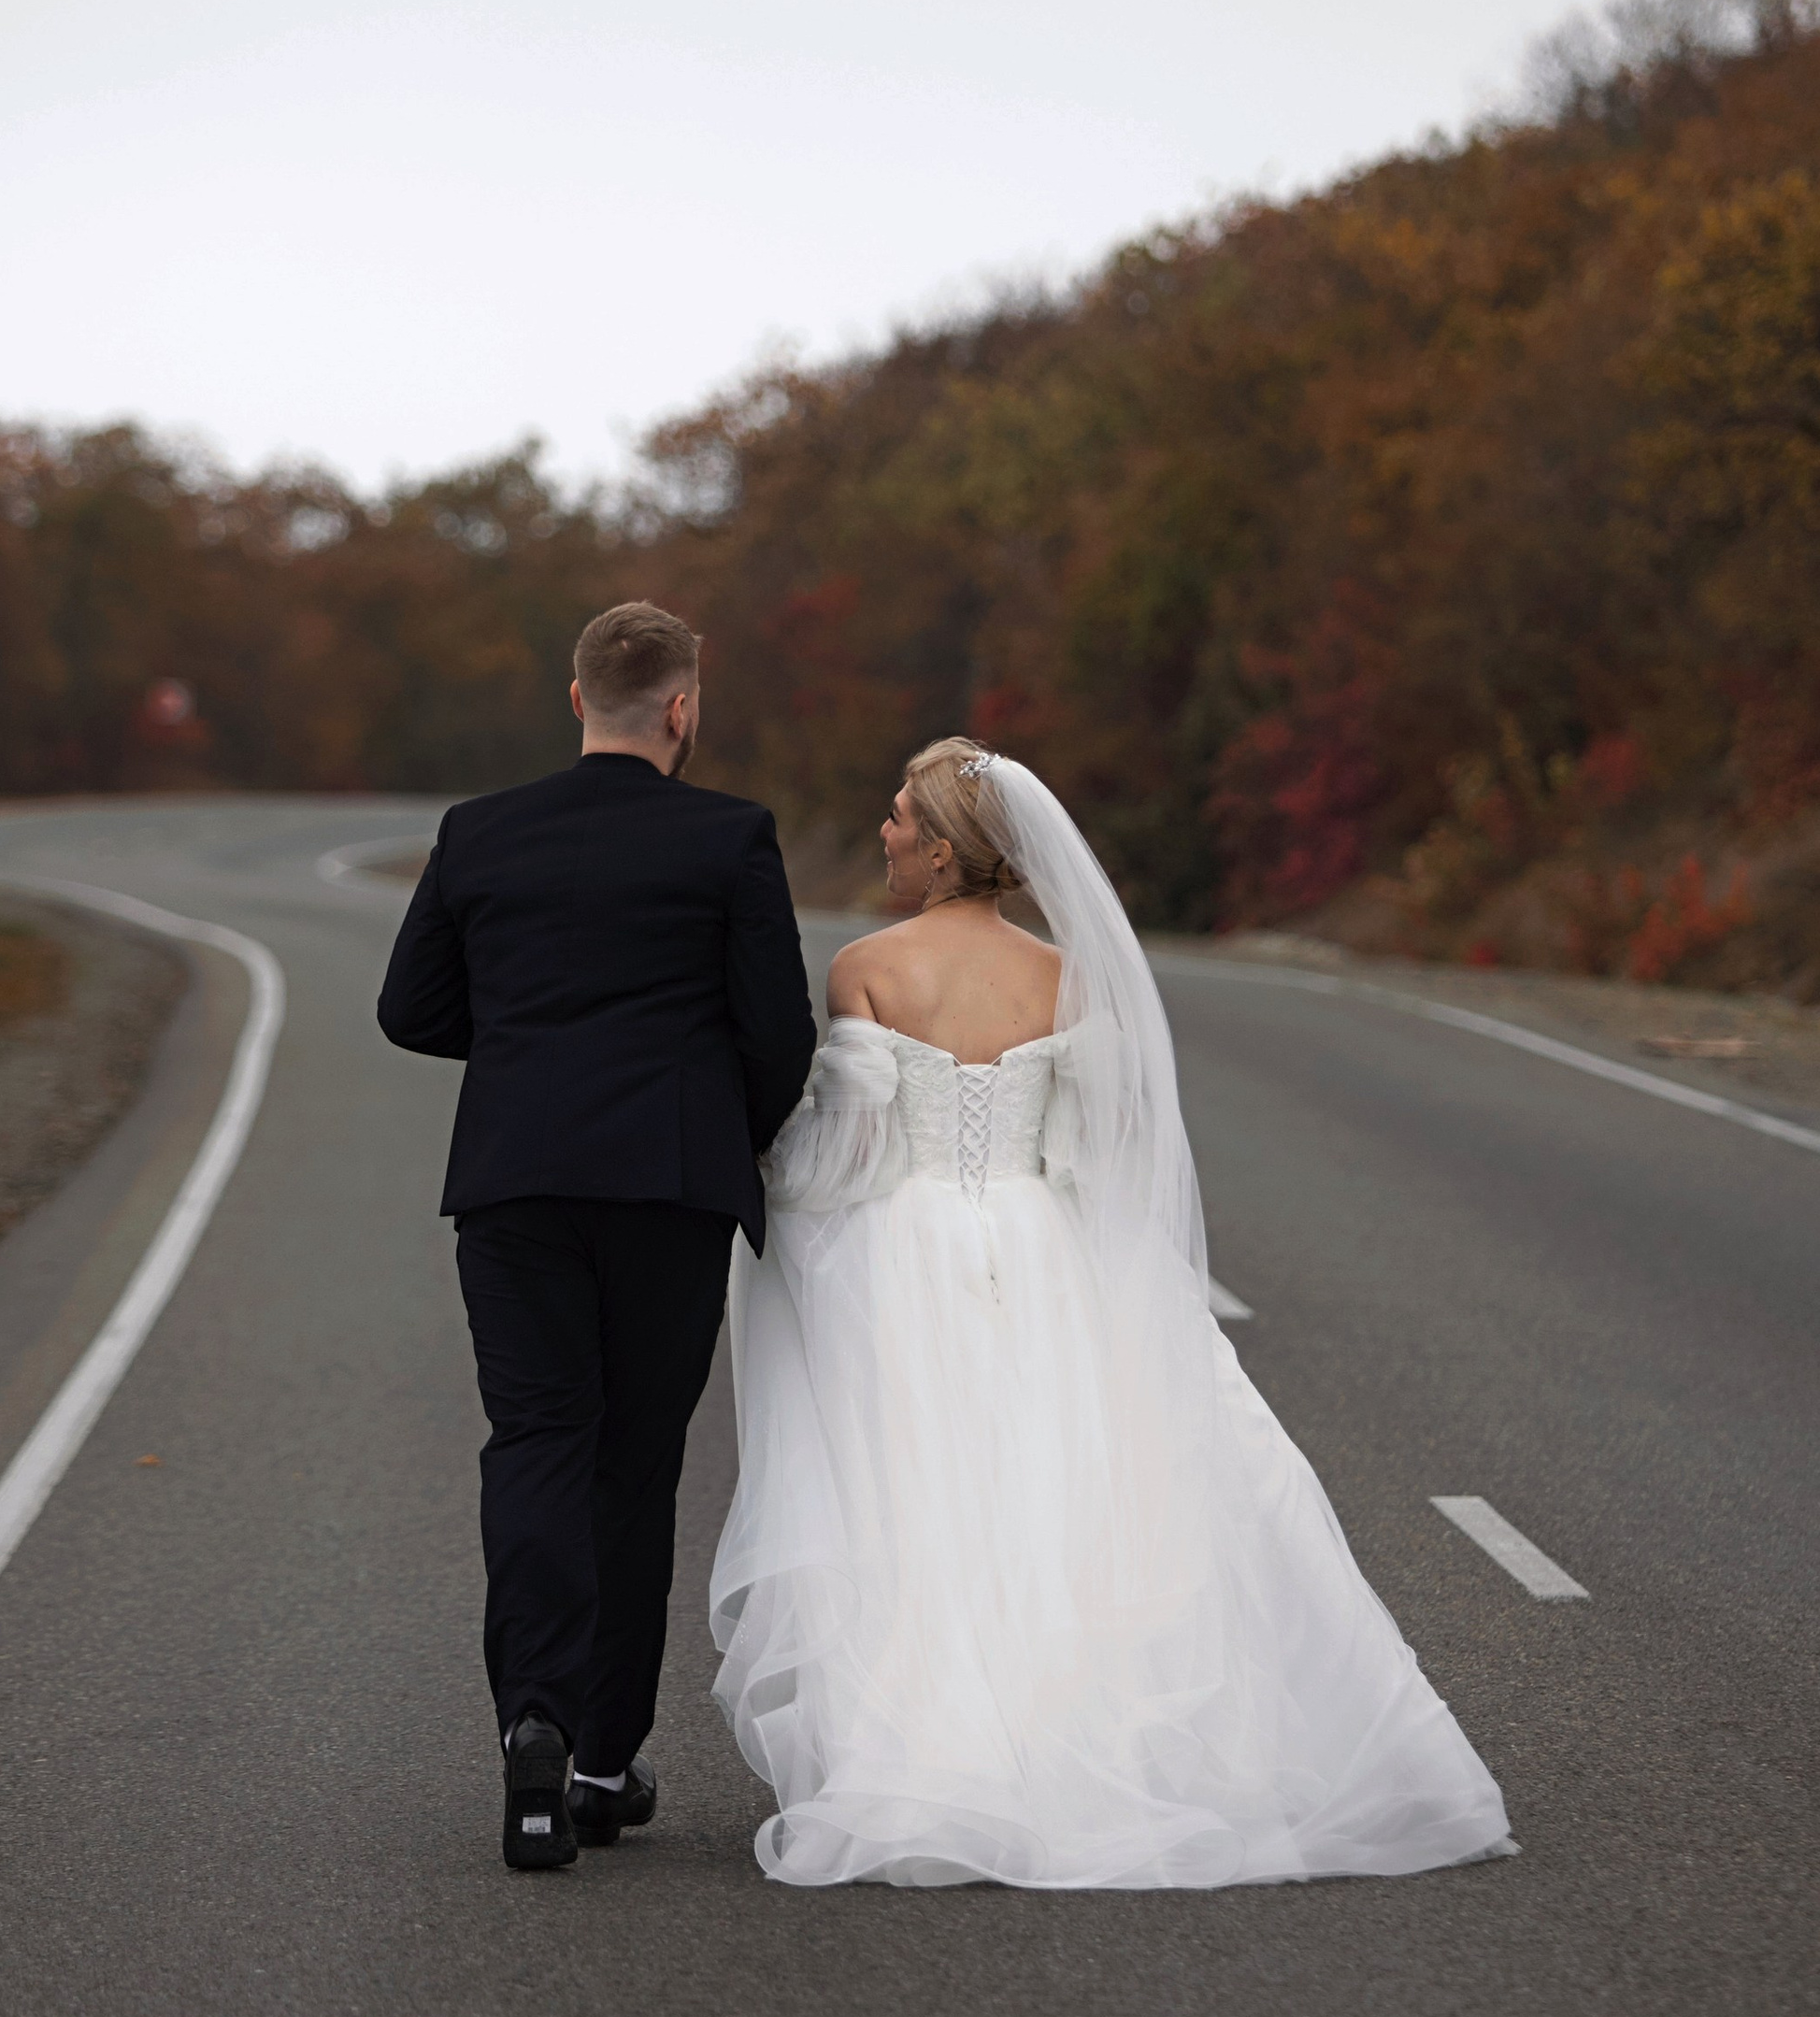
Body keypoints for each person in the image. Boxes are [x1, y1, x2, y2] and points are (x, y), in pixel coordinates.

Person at [710, 737, 1513, 1890]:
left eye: (896, 818)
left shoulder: (867, 969)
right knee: (1056, 1488)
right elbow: (1091, 1149)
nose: (880, 833)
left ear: (941, 851)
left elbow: (847, 1157)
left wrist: (756, 1180)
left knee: (921, 1495)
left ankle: (936, 1745)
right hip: (1041, 1243)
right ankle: (1074, 1726)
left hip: (908, 1247)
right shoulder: (1062, 974)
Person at [379, 602, 817, 1871]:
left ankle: (532, 1715)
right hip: (671, 1186)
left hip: (516, 1182)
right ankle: (601, 1761)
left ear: (578, 699)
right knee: (634, 1460)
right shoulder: (731, 837)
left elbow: (410, 1008)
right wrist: (716, 1120)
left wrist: (527, 1052)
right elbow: (776, 1032)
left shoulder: (480, 831)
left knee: (534, 1440)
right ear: (682, 706)